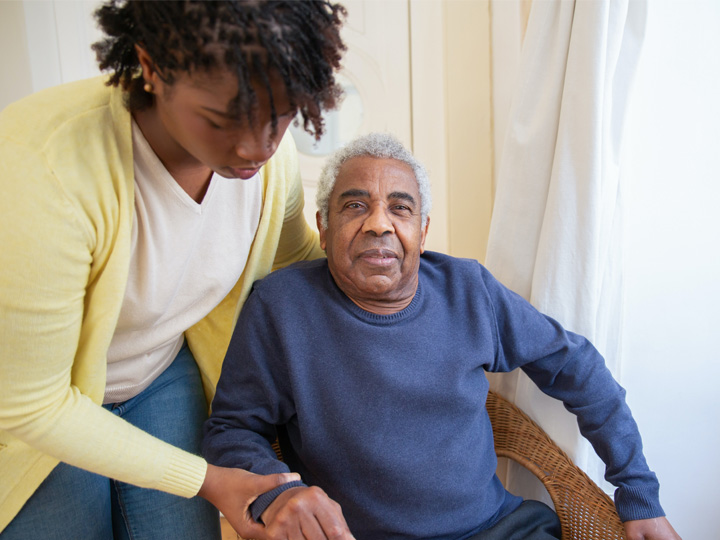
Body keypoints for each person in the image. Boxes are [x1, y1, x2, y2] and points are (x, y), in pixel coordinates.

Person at [203, 132, 683, 540]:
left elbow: (576, 366)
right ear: (323, 229)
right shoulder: (281, 307)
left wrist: (639, 492)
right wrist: (279, 492)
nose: (378, 223)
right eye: (355, 206)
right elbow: (231, 429)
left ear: (423, 229)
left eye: (400, 207)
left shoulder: (468, 289)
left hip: (496, 529)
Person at [0, 1, 347, 539]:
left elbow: (296, 261)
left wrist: (413, 288)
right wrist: (207, 480)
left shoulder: (270, 169)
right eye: (221, 120)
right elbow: (32, 405)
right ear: (152, 67)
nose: (256, 147)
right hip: (32, 407)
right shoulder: (43, 172)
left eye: (279, 118)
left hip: (159, 371)